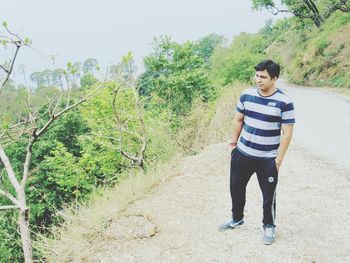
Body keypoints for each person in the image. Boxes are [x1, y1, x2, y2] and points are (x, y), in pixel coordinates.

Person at [218, 60, 295, 245]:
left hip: (267, 159)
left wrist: (278, 160)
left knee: (268, 196)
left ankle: (269, 226)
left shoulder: (284, 102)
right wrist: (233, 144)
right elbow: (238, 119)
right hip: (242, 154)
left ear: (274, 78)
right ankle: (237, 218)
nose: (258, 80)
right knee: (235, 188)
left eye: (263, 77)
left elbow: (287, 134)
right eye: (257, 76)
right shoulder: (247, 95)